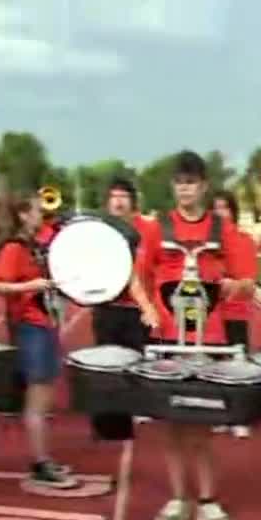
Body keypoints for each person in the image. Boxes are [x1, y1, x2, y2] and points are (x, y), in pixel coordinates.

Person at [139, 151, 256, 520]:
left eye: (191, 182)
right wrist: (147, 310)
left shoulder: (223, 231)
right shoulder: (157, 228)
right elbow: (136, 276)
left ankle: (207, 500)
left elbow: (248, 281)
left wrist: (234, 285)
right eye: (179, 182)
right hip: (169, 337)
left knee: (203, 421)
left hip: (210, 338)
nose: (185, 189)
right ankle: (177, 498)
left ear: (203, 186)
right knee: (172, 422)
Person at [0, 195, 82, 488]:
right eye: (37, 210)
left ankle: (44, 459)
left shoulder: (32, 246)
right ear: (23, 215)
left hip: (43, 324)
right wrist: (31, 285)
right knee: (37, 401)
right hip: (30, 327)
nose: (42, 214)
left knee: (44, 399)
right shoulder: (14, 248)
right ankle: (40, 463)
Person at [87, 178, 159, 442]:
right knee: (106, 366)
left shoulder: (149, 229)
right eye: (113, 196)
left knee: (135, 364)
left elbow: (158, 266)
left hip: (136, 309)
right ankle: (107, 425)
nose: (118, 201)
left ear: (133, 201)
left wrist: (152, 305)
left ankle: (131, 415)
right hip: (107, 306)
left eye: (123, 196)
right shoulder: (99, 230)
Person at [211, 190, 260, 438]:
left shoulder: (244, 241)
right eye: (215, 208)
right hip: (210, 316)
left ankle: (239, 416)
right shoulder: (206, 243)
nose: (220, 213)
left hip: (236, 311)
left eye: (225, 208)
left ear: (233, 212)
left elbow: (251, 283)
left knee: (237, 366)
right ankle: (220, 413)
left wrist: (234, 285)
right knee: (214, 367)